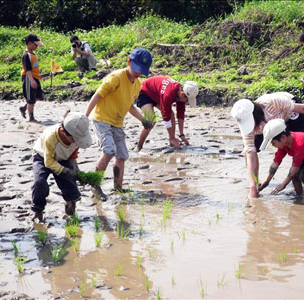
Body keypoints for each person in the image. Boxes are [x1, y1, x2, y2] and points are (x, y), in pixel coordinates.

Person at [231, 92, 304, 199]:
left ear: (256, 116)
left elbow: (300, 108)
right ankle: (298, 193)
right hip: (271, 128)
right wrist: (254, 186)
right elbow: (252, 153)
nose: (252, 128)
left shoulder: (272, 102)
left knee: (300, 165)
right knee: (250, 150)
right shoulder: (247, 127)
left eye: (252, 124)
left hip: (290, 114)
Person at [85, 48, 153, 200]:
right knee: (108, 151)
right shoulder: (115, 77)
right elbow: (97, 95)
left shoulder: (137, 85)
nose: (138, 73)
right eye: (136, 69)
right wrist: (85, 117)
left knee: (122, 155)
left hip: (117, 122)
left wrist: (142, 120)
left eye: (141, 71)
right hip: (101, 118)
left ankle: (118, 188)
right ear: (128, 62)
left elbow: (129, 106)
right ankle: (95, 186)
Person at [31, 112, 93, 221]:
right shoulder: (50, 137)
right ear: (64, 132)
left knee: (69, 183)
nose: (75, 142)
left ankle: (70, 208)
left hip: (63, 157)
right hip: (43, 156)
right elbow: (49, 162)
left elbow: (72, 155)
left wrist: (76, 171)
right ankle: (38, 211)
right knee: (39, 183)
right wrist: (66, 171)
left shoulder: (76, 137)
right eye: (74, 139)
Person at [258, 119, 304, 198]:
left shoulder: (299, 144)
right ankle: (299, 196)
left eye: (273, 143)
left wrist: (283, 184)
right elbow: (275, 163)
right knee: (295, 175)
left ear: (283, 137)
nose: (273, 145)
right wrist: (267, 182)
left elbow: (294, 168)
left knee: (303, 175)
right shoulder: (283, 144)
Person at [135, 76, 199, 151]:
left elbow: (180, 115)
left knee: (171, 115)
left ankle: (171, 141)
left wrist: (182, 135)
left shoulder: (180, 93)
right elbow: (166, 117)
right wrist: (172, 137)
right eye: (187, 100)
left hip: (157, 95)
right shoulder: (168, 94)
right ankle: (139, 147)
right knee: (151, 120)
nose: (187, 102)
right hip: (144, 93)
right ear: (182, 94)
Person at [19, 33, 44, 122]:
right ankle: (31, 117)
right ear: (29, 43)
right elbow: (27, 70)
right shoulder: (26, 55)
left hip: (35, 77)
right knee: (30, 99)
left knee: (37, 96)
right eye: (35, 44)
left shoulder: (33, 54)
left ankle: (24, 108)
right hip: (28, 78)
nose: (37, 46)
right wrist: (32, 80)